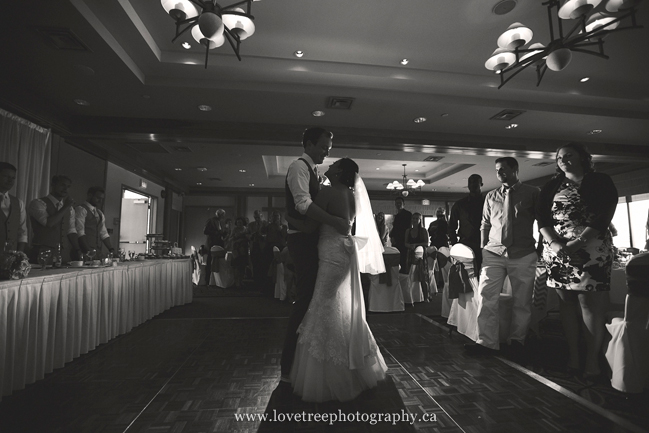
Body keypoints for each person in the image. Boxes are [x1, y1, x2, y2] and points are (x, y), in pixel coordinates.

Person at [287, 158, 387, 402]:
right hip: (344, 254)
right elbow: (343, 224)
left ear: (340, 171)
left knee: (323, 304)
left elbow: (310, 227)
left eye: (333, 166)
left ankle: (330, 372)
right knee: (338, 305)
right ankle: (354, 363)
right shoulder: (351, 196)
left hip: (331, 253)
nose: (328, 167)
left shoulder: (329, 192)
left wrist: (289, 222)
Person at [536, 143, 617, 379]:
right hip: (558, 251)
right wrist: (554, 244)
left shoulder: (600, 180)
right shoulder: (551, 186)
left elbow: (604, 213)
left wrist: (578, 242)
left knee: (589, 305)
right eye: (559, 157)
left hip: (592, 248)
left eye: (568, 155)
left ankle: (592, 361)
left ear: (583, 158)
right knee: (566, 303)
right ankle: (574, 355)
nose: (563, 160)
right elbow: (542, 219)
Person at [280, 127, 349, 383]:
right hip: (302, 240)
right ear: (308, 144)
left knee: (312, 299)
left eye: (329, 148)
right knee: (305, 297)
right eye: (323, 147)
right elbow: (302, 204)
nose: (326, 152)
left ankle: (304, 361)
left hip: (312, 239)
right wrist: (334, 221)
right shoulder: (299, 167)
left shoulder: (315, 171)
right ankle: (288, 365)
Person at [465, 157, 540, 357]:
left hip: (523, 253)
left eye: (504, 169)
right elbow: (485, 224)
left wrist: (540, 248)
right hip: (493, 253)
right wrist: (482, 249)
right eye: (497, 170)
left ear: (515, 169)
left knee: (522, 301)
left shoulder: (532, 193)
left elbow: (543, 222)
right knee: (486, 297)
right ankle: (486, 342)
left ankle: (517, 342)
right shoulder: (491, 196)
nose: (499, 173)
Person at [27, 175, 79, 264]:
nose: (65, 189)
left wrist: (78, 250)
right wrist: (66, 206)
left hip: (64, 255)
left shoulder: (70, 209)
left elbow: (71, 230)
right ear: (53, 185)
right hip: (42, 254)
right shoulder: (38, 203)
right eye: (62, 185)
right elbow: (49, 223)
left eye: (68, 186)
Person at [449, 174, 485, 268]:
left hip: (485, 245)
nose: (472, 185)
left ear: (481, 184)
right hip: (466, 243)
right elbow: (452, 225)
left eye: (475, 182)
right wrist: (454, 244)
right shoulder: (460, 204)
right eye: (470, 182)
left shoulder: (488, 202)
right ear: (468, 185)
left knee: (485, 273)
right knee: (466, 275)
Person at [75, 186, 114, 260]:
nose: (100, 201)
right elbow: (80, 232)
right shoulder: (81, 210)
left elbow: (103, 233)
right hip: (83, 251)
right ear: (89, 195)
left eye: (102, 199)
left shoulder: (99, 213)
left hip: (96, 251)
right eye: (98, 198)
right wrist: (88, 251)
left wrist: (111, 249)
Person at [0, 162, 27, 252]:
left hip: (10, 258)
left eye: (13, 178)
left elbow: (22, 232)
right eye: (6, 176)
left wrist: (19, 254)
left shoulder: (19, 203)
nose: (10, 180)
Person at [405, 212, 430, 300]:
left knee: (423, 276)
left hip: (421, 257)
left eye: (416, 218)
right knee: (410, 275)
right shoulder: (408, 231)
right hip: (410, 255)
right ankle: (411, 297)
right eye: (413, 218)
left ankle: (426, 296)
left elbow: (426, 243)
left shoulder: (423, 231)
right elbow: (405, 243)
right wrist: (410, 246)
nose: (414, 220)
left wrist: (416, 245)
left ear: (420, 220)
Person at [248, 210, 269, 294]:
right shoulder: (251, 225)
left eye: (258, 217)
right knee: (255, 265)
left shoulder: (266, 224)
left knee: (263, 266)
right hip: (254, 247)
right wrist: (251, 236)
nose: (257, 219)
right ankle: (256, 284)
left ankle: (263, 285)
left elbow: (269, 235)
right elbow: (247, 234)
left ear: (261, 216)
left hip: (263, 247)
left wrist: (262, 236)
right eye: (255, 217)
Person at [389, 197, 412, 274]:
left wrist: (406, 239)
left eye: (400, 203)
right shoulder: (397, 216)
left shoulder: (408, 214)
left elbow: (408, 228)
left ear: (403, 204)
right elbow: (395, 228)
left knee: (404, 259)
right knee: (397, 258)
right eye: (397, 203)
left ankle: (403, 276)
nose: (398, 204)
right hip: (396, 241)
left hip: (404, 240)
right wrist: (392, 237)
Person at [203, 208, 226, 279]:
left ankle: (215, 279)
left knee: (216, 261)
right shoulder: (211, 221)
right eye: (222, 215)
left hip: (218, 243)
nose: (223, 216)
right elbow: (205, 231)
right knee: (210, 260)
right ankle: (207, 278)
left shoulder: (220, 222)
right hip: (212, 243)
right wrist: (216, 233)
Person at [229, 217, 249, 289]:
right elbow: (230, 238)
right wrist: (235, 237)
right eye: (238, 222)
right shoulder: (234, 229)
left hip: (244, 249)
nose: (239, 224)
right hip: (236, 249)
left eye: (240, 222)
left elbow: (248, 237)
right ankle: (236, 282)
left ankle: (241, 281)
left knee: (243, 266)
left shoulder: (246, 229)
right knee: (236, 266)